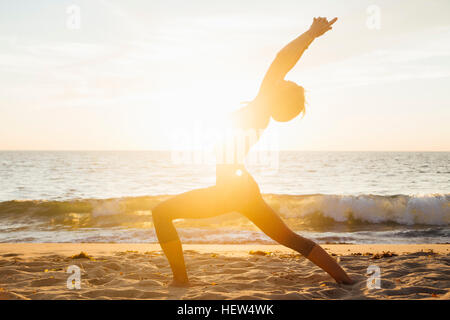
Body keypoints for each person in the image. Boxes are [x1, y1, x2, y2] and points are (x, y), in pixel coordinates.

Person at [152, 17, 354, 287]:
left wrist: (310, 34)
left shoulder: (260, 107)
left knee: (160, 213)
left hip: (231, 188)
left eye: (280, 83)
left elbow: (282, 58)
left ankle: (180, 281)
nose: (276, 81)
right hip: (240, 186)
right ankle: (345, 280)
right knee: (288, 238)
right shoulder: (260, 114)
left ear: (278, 95)